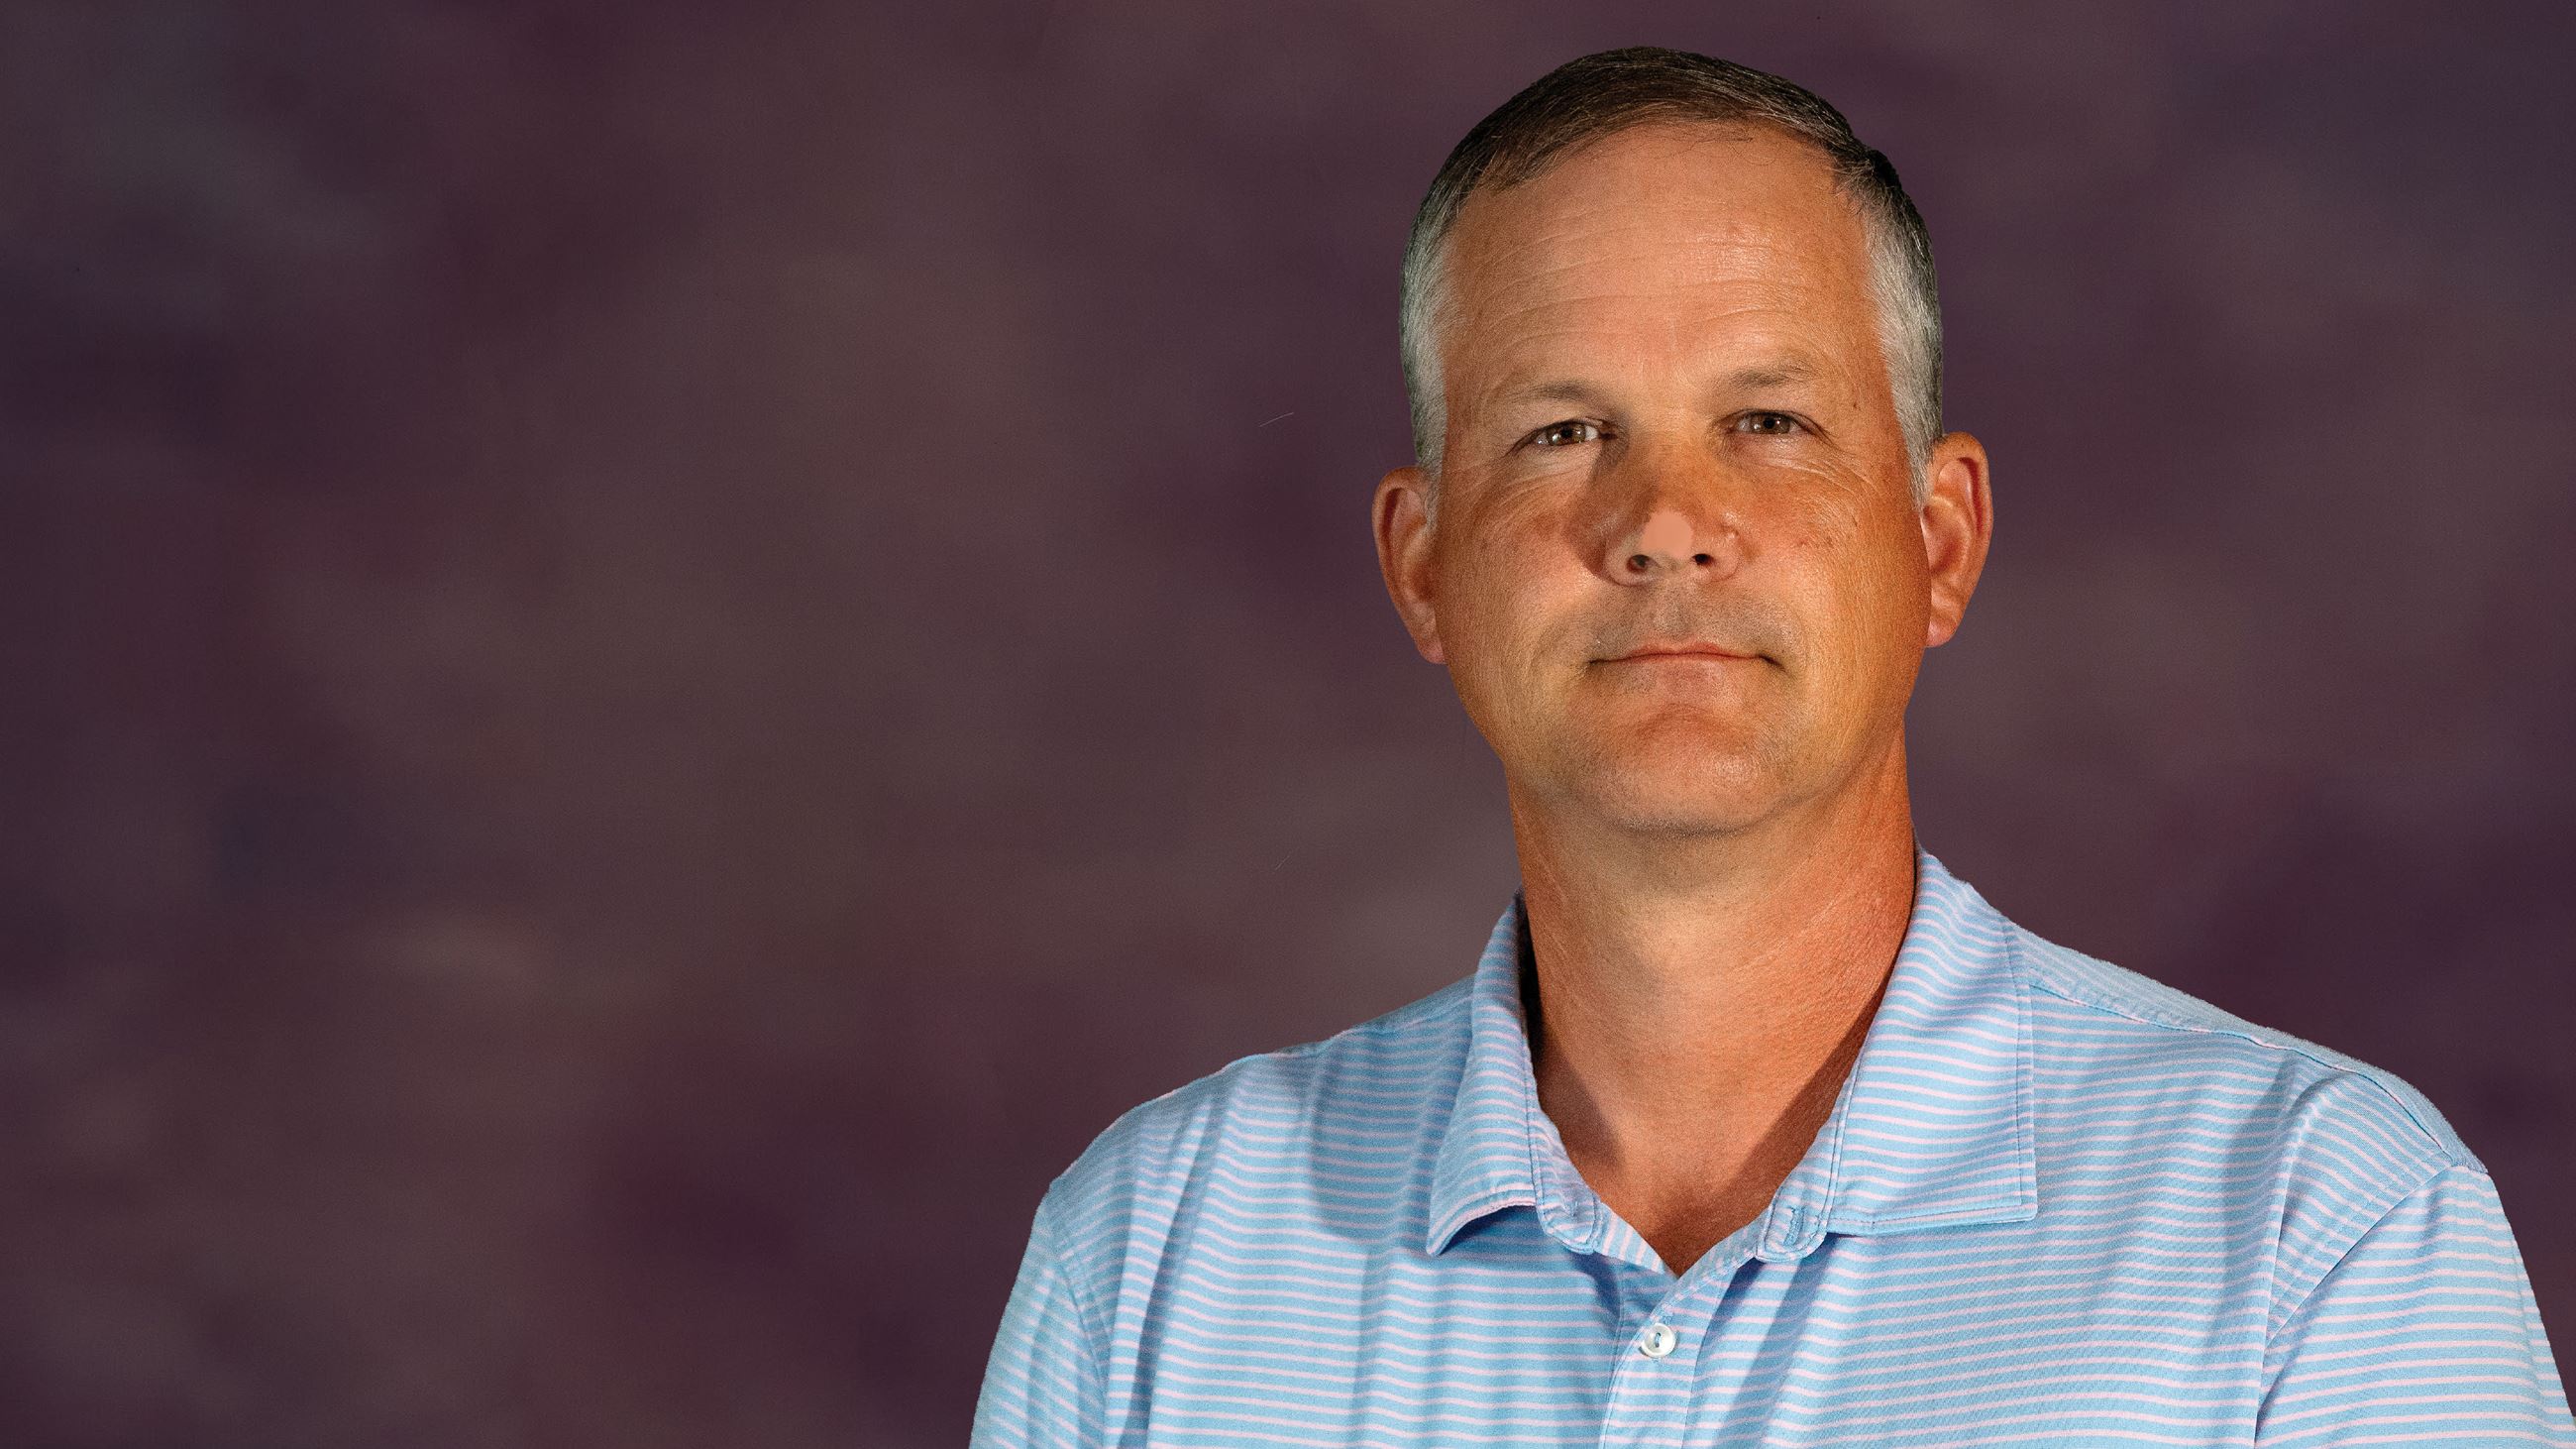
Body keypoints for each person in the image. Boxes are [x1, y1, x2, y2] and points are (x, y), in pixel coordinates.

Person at [969, 46, 2574, 1446]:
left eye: (1769, 422)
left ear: (1939, 540)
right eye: (1561, 430)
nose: (1666, 523)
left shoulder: (2316, 1231)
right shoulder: (1154, 1259)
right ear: (1422, 566)